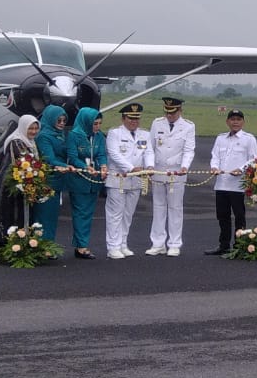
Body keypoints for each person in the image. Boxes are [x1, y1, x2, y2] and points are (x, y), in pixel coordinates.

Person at [104, 103, 154, 259]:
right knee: (115, 214)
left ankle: (123, 244)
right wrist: (132, 168)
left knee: (128, 214)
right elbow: (114, 155)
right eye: (131, 118)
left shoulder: (144, 134)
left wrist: (150, 166)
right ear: (123, 118)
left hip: (136, 181)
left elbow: (148, 152)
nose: (134, 121)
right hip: (118, 179)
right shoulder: (114, 133)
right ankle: (113, 246)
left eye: (137, 118)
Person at [205, 109, 257, 255]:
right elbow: (215, 156)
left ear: (243, 122)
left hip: (238, 185)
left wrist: (241, 169)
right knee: (222, 216)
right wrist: (214, 167)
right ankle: (223, 245)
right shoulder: (221, 138)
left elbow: (253, 159)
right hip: (221, 184)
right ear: (227, 121)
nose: (235, 122)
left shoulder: (249, 139)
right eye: (232, 119)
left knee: (239, 216)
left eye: (238, 119)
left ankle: (239, 245)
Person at [148, 96, 197, 256]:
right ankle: (158, 243)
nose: (170, 115)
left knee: (175, 208)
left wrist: (185, 166)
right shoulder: (157, 123)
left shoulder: (188, 126)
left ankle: (175, 243)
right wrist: (149, 165)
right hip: (158, 171)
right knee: (158, 208)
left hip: (177, 172)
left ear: (180, 111)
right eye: (167, 112)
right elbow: (150, 147)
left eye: (173, 112)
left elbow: (189, 149)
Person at [0, 114, 41, 256]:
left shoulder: (30, 142)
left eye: (36, 128)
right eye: (31, 129)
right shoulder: (16, 141)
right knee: (6, 213)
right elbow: (25, 160)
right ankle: (2, 249)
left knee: (21, 214)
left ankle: (19, 246)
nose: (34, 132)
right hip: (9, 183)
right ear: (24, 128)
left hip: (23, 181)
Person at [65, 107, 107, 260]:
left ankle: (81, 244)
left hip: (94, 180)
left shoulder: (99, 137)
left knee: (88, 213)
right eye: (94, 124)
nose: (97, 127)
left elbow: (102, 154)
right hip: (79, 179)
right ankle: (81, 246)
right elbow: (72, 156)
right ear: (87, 123)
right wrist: (84, 167)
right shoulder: (74, 136)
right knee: (81, 212)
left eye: (99, 124)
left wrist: (103, 165)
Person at [32, 105, 70, 249]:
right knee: (43, 215)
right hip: (47, 180)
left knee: (52, 216)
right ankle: (41, 246)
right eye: (58, 120)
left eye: (63, 120)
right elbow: (49, 158)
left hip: (58, 179)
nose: (61, 123)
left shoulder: (59, 134)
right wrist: (67, 166)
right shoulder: (44, 136)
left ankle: (48, 244)